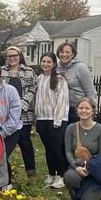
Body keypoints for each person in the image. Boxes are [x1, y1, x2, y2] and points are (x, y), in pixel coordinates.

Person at [63, 97, 101, 200]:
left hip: (95, 168)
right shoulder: (70, 128)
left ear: (93, 111)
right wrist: (76, 167)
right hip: (78, 166)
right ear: (77, 110)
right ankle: (74, 194)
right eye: (81, 108)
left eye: (87, 108)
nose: (84, 111)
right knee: (70, 176)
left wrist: (89, 167)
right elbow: (68, 151)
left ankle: (93, 189)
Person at [1, 46, 37, 178]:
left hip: (24, 114)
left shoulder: (29, 71)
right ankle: (4, 171)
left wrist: (22, 105)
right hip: (5, 115)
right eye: (9, 56)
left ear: (20, 56)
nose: (12, 58)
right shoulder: (1, 71)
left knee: (25, 143)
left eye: (14, 55)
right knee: (5, 144)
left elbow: (33, 88)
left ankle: (31, 171)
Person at [34, 52, 69, 188]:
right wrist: (36, 119)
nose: (46, 64)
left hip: (56, 119)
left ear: (54, 64)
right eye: (43, 61)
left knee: (56, 148)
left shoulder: (60, 80)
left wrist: (57, 120)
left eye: (49, 62)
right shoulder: (40, 78)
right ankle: (51, 174)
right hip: (42, 119)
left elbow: (62, 101)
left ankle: (61, 175)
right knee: (48, 148)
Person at [56, 42, 97, 124]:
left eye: (67, 52)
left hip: (78, 108)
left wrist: (93, 110)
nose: (64, 54)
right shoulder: (56, 68)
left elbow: (90, 91)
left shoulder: (80, 68)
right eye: (62, 52)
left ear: (73, 54)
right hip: (63, 109)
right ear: (58, 54)